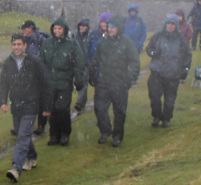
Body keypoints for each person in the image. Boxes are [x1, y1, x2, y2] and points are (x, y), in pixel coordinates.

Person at [0, 33, 52, 182]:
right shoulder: (8, 63)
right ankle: (32, 157)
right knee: (22, 133)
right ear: (11, 46)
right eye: (14, 44)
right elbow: (4, 83)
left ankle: (16, 167)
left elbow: (46, 84)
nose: (16, 47)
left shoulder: (34, 61)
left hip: (31, 104)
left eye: (19, 44)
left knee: (22, 136)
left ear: (25, 46)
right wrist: (2, 101)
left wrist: (47, 106)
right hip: (16, 105)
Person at [88, 16, 140, 147]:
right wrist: (92, 74)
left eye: (112, 27)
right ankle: (105, 131)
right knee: (100, 108)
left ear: (119, 28)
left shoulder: (126, 43)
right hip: (103, 81)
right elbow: (96, 59)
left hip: (119, 82)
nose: (109, 29)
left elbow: (135, 61)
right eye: (108, 26)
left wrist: (129, 77)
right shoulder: (103, 41)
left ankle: (117, 135)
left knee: (120, 111)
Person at [38, 14, 85, 146]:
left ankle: (65, 133)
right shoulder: (47, 44)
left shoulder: (72, 44)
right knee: (51, 109)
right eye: (55, 28)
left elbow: (79, 62)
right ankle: (54, 135)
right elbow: (40, 61)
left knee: (62, 108)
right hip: (50, 82)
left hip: (65, 81)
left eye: (60, 28)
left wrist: (78, 78)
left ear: (64, 29)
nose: (57, 31)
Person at [146, 14, 193, 128]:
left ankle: (166, 119)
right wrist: (153, 53)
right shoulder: (157, 36)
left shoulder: (181, 40)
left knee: (170, 99)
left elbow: (188, 55)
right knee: (154, 97)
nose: (170, 26)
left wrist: (185, 69)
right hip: (157, 72)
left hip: (173, 74)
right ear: (165, 24)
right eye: (168, 23)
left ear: (176, 26)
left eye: (172, 24)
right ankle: (156, 116)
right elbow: (148, 49)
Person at [20, 18, 49, 135]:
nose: (22, 31)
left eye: (23, 29)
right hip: (27, 75)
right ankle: (24, 125)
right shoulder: (23, 40)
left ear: (30, 29)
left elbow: (46, 57)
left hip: (40, 75)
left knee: (41, 100)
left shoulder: (41, 39)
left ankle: (41, 125)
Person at [72, 17, 91, 112]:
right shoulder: (75, 35)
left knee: (84, 82)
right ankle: (83, 102)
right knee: (79, 82)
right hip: (77, 62)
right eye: (80, 25)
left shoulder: (90, 36)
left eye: (84, 26)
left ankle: (79, 103)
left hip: (86, 63)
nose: (82, 27)